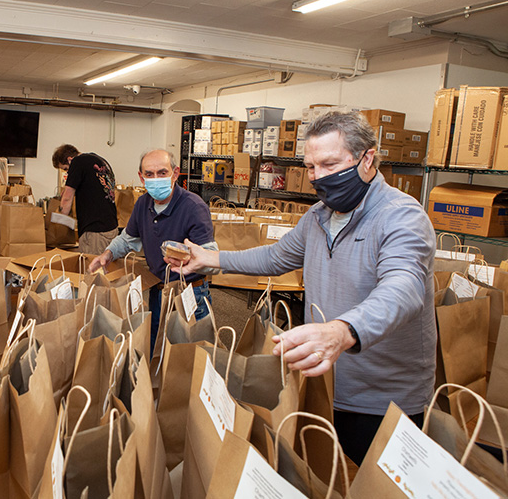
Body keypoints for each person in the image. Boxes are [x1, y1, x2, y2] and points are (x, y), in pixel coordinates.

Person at [169, 111, 436, 465]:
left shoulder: (401, 217)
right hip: (322, 384)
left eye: (329, 164)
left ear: (367, 158)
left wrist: (343, 331)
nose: (319, 177)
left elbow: (403, 289)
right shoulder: (319, 216)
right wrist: (209, 259)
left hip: (381, 400)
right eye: (311, 167)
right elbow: (275, 258)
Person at [89, 148, 217, 341]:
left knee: (190, 354)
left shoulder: (194, 207)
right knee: (157, 349)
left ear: (175, 173)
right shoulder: (143, 204)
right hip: (159, 290)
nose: (156, 178)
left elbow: (212, 258)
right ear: (141, 178)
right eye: (149, 174)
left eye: (162, 173)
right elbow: (127, 238)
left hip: (191, 293)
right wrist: (108, 254)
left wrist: (186, 256)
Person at [52, 144, 118, 254]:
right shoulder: (98, 160)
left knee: (92, 268)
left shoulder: (77, 162)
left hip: (95, 231)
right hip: (111, 227)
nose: (68, 173)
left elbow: (67, 199)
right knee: (107, 268)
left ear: (69, 160)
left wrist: (57, 222)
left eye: (66, 169)